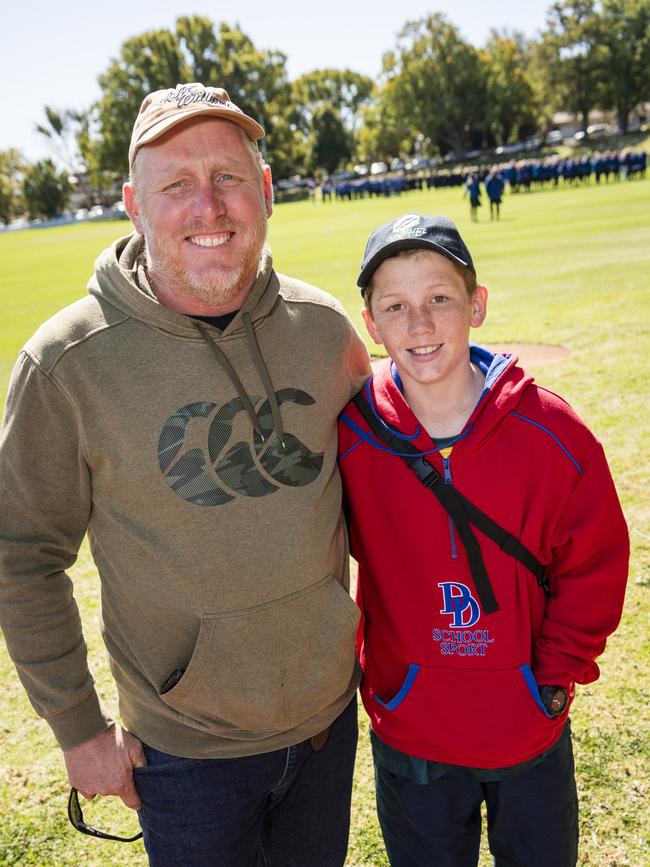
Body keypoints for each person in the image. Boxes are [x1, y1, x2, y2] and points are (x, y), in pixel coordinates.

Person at [0, 82, 370, 866]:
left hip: (328, 722)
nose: (209, 206)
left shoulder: (326, 332)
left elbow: (387, 509)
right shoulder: (66, 364)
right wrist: (78, 727)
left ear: (266, 192)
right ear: (134, 205)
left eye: (230, 177)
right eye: (176, 185)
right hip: (185, 755)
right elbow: (21, 554)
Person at [337, 213, 629, 866]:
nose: (420, 324)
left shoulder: (553, 433)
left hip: (525, 728)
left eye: (440, 298)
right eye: (397, 305)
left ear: (478, 305)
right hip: (412, 731)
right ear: (371, 324)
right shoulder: (351, 438)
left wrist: (550, 678)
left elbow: (596, 564)